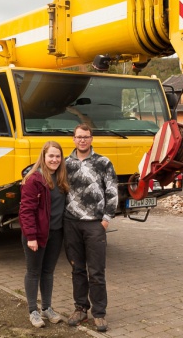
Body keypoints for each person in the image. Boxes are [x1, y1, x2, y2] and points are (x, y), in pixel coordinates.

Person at [64, 123, 118, 332]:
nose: (82, 140)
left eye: (86, 136)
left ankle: (99, 313)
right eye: (79, 137)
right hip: (71, 223)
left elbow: (112, 191)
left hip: (95, 224)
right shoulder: (66, 163)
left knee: (96, 271)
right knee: (77, 269)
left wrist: (106, 219)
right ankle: (80, 308)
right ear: (74, 139)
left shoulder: (103, 163)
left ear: (91, 139)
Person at [19, 141, 70, 328]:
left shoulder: (62, 177)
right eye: (51, 156)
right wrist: (31, 236)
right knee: (34, 272)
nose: (55, 159)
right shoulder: (34, 179)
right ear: (43, 156)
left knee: (48, 272)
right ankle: (33, 310)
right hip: (36, 235)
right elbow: (26, 211)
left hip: (55, 233)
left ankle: (46, 308)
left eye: (58, 156)